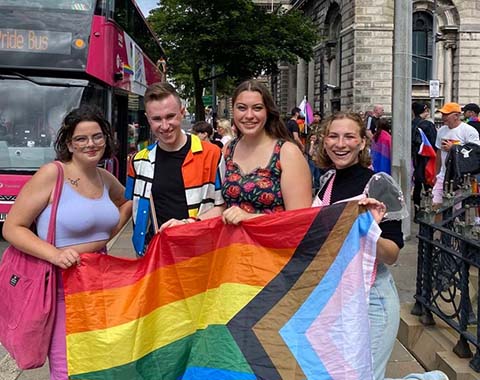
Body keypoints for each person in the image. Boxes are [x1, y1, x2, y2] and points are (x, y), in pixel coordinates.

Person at [314, 112, 447, 380]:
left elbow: (392, 254)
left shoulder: (378, 185)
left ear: (363, 142)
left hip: (371, 298)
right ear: (324, 142)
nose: (341, 144)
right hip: (337, 299)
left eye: (349, 136)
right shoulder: (327, 181)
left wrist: (366, 229)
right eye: (333, 136)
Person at [2, 105, 132, 380]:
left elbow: (128, 203)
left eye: (97, 136)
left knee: (96, 362)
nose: (91, 144)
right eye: (81, 139)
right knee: (67, 367)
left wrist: (105, 238)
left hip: (98, 283)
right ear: (69, 144)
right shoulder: (53, 174)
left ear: (106, 139)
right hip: (58, 283)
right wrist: (54, 255)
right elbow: (13, 228)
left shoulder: (105, 178)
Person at [125, 82, 225, 255]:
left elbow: (223, 206)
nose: (164, 126)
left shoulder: (212, 154)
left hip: (200, 255)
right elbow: (129, 205)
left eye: (170, 116)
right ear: (148, 120)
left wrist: (188, 224)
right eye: (156, 119)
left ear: (182, 112)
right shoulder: (138, 161)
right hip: (154, 256)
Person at [220, 79, 312, 224]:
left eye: (257, 108)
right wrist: (189, 222)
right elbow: (221, 207)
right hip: (233, 245)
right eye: (242, 108)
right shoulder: (227, 150)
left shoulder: (287, 153)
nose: (249, 115)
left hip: (274, 245)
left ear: (268, 111)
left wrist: (250, 218)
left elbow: (300, 220)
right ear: (234, 110)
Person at [432, 102, 480, 205]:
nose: (443, 117)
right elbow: (439, 153)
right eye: (442, 114)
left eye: (446, 114)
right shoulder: (441, 131)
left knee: (457, 210)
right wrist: (436, 174)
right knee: (435, 206)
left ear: (456, 116)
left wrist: (454, 148)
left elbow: (474, 153)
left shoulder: (469, 131)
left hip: (460, 178)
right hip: (443, 176)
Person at [411, 102, 437, 219]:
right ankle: (428, 210)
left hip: (414, 159)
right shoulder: (428, 125)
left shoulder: (410, 124)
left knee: (417, 185)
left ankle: (417, 210)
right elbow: (434, 143)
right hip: (426, 159)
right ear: (425, 110)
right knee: (428, 184)